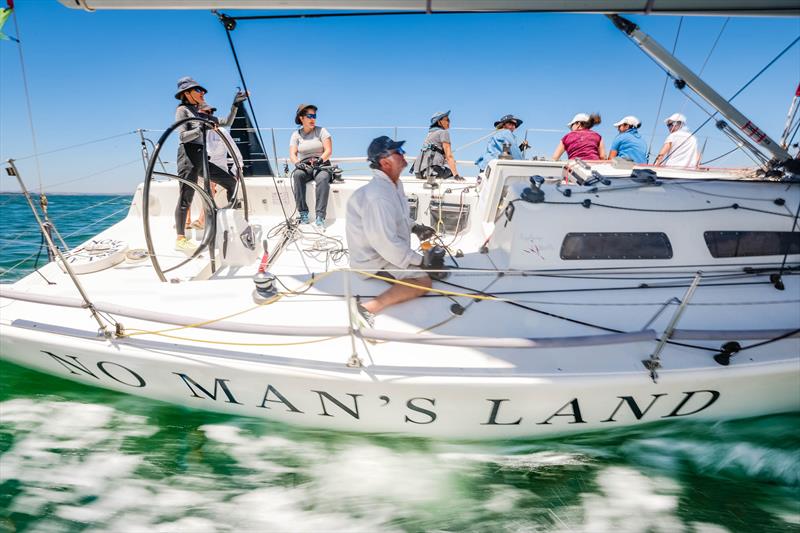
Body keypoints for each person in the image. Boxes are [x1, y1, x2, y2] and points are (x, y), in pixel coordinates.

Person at [346, 136, 436, 325]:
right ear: (385, 162)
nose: (404, 154)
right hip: (373, 262)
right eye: (398, 152)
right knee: (424, 282)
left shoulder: (394, 185)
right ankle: (367, 308)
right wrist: (422, 262)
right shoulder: (378, 197)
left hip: (387, 252)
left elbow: (398, 217)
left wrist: (415, 227)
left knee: (430, 267)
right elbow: (385, 244)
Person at [173, 76, 246, 254]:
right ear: (187, 93)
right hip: (188, 156)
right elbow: (182, 137)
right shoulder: (182, 110)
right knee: (186, 196)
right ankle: (180, 239)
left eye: (203, 90)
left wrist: (235, 104)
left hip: (202, 157)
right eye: (198, 90)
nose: (203, 93)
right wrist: (201, 129)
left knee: (230, 182)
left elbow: (226, 122)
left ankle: (234, 219)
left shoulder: (199, 111)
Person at [289, 104, 333, 228]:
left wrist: (320, 160)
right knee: (297, 175)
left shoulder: (322, 131)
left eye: (314, 116)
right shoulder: (296, 135)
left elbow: (328, 151)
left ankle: (320, 216)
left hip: (321, 164)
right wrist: (297, 163)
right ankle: (303, 213)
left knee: (323, 178)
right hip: (305, 165)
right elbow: (292, 154)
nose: (313, 119)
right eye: (310, 116)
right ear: (301, 118)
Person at [411, 110, 463, 185]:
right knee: (451, 173)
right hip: (431, 171)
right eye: (447, 119)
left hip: (418, 172)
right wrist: (456, 176)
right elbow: (449, 156)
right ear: (439, 122)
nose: (449, 121)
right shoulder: (443, 132)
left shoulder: (430, 133)